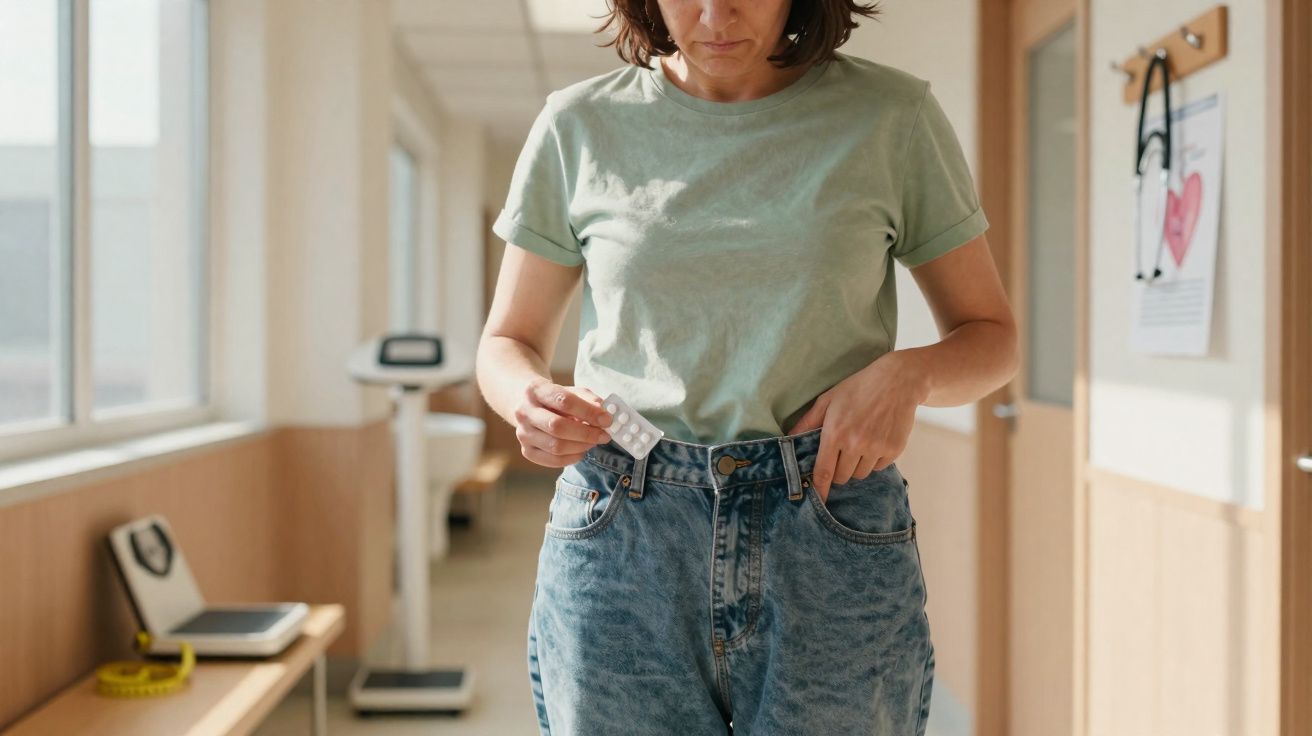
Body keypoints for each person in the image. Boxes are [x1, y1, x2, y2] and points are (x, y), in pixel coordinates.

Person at [474, 0, 1019, 732]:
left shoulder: (891, 117)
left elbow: (992, 338)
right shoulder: (577, 126)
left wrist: (910, 374)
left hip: (828, 522)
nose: (714, 13)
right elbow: (506, 341)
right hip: (622, 526)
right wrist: (527, 399)